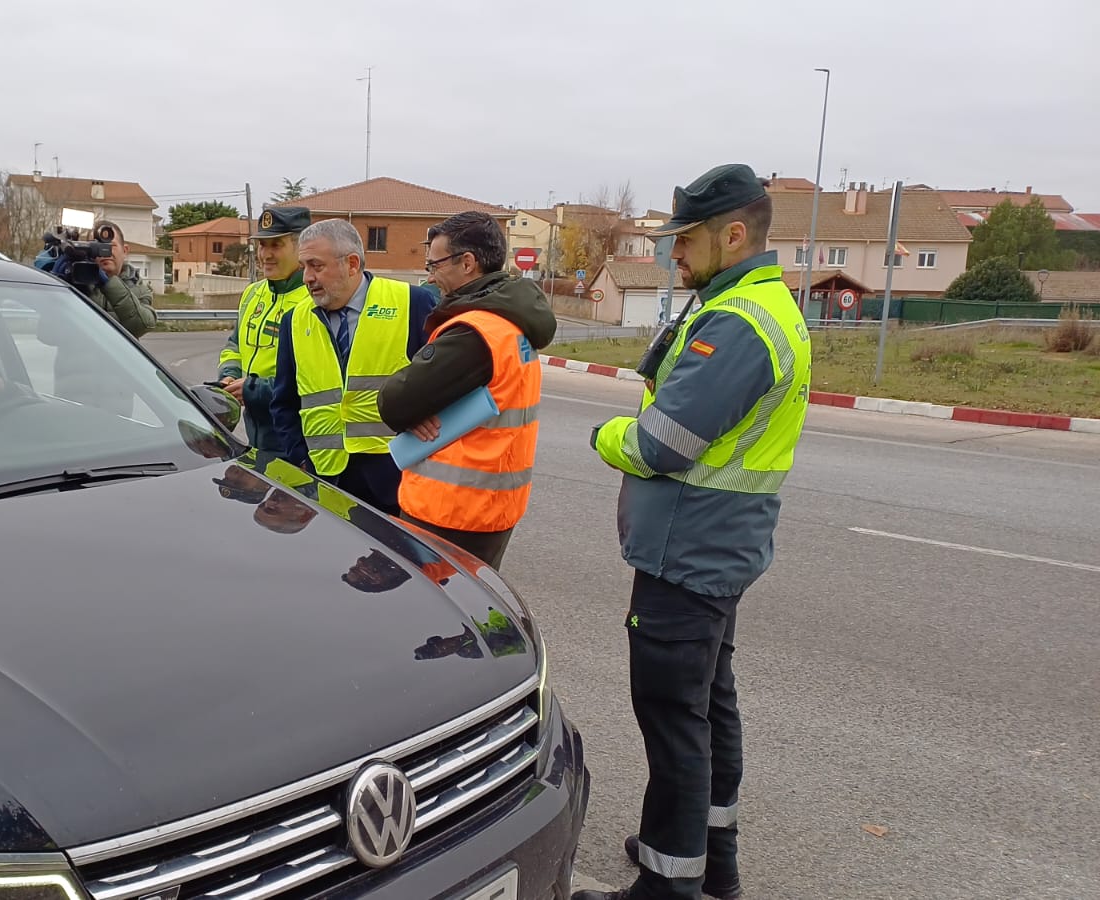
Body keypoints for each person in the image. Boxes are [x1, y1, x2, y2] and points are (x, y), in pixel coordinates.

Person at [573, 164, 812, 900]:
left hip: (690, 548)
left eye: (685, 241)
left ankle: (667, 883)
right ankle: (711, 861)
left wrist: (606, 433)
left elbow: (658, 444)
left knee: (673, 716)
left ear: (733, 235)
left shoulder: (738, 323)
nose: (672, 255)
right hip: (717, 544)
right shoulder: (747, 303)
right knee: (707, 704)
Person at [377, 211, 555, 569]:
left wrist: (414, 407)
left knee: (432, 616)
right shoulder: (513, 323)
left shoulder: (474, 333)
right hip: (490, 508)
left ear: (468, 263)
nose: (430, 276)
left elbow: (394, 403)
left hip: (450, 513)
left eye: (435, 264)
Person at [270, 219, 437, 516]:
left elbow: (442, 384)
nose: (307, 277)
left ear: (351, 263)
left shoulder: (413, 303)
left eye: (316, 266)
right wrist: (301, 461)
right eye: (303, 266)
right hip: (326, 479)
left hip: (397, 480)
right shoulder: (294, 321)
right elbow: (284, 402)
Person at [216, 207, 314, 451]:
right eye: (262, 245)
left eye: (276, 245)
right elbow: (235, 346)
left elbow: (313, 377)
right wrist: (229, 375)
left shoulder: (313, 300)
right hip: (255, 432)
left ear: (300, 247)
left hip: (294, 435)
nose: (265, 255)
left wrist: (254, 390)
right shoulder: (252, 293)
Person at [35, 220, 156, 415]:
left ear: (125, 250)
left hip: (117, 402)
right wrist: (59, 288)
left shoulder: (137, 288)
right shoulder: (76, 285)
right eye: (97, 248)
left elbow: (142, 324)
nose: (104, 253)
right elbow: (47, 334)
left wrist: (108, 282)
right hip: (72, 397)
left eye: (110, 246)